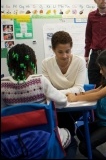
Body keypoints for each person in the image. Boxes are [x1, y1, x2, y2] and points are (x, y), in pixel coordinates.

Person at [1, 43, 71, 150]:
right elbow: (63, 102)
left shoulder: (2, 85)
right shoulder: (40, 81)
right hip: (42, 139)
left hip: (13, 142)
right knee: (70, 136)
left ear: (9, 65)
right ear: (34, 62)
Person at [42, 30, 86, 159]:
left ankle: (66, 143)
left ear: (71, 48)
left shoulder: (79, 61)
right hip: (58, 105)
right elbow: (46, 91)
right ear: (53, 50)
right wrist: (64, 94)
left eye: (68, 51)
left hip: (74, 105)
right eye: (60, 52)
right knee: (60, 117)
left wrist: (55, 93)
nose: (65, 55)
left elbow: (79, 87)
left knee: (64, 118)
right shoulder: (46, 63)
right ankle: (68, 142)